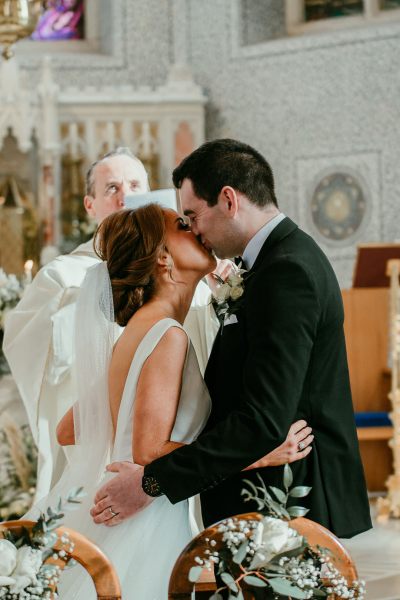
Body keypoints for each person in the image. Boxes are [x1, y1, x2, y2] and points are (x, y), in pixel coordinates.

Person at [27, 204, 312, 599]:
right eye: (182, 225)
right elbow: (148, 449)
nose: (195, 230)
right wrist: (259, 453)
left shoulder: (137, 331)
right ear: (163, 258)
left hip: (127, 505)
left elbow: (68, 429)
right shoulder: (166, 334)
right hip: (144, 520)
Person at [91, 139, 372, 539]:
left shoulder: (286, 271)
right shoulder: (266, 267)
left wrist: (150, 482)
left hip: (289, 505)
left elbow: (262, 420)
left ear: (228, 200)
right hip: (257, 506)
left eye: (192, 215)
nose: (194, 230)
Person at [3, 148, 218, 502]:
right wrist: (245, 456)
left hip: (151, 483)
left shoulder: (161, 305)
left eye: (135, 185)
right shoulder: (67, 276)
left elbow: (69, 428)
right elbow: (148, 451)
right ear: (90, 205)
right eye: (112, 188)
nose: (126, 196)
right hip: (153, 484)